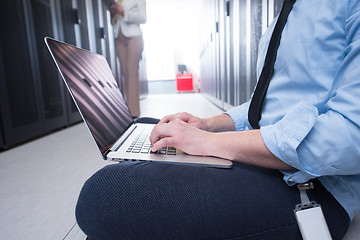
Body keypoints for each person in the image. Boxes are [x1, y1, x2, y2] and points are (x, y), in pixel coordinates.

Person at [76, 0, 360, 239]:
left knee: (103, 195)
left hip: (311, 186)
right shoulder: (290, 9)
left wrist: (211, 143)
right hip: (266, 157)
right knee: (153, 126)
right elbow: (270, 105)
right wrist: (209, 125)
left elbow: (349, 136)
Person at [110, 0, 146, 117]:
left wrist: (123, 12)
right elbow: (114, 21)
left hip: (134, 36)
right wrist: (114, 15)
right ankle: (127, 109)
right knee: (125, 72)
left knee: (131, 70)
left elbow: (143, 18)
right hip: (118, 36)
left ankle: (134, 111)